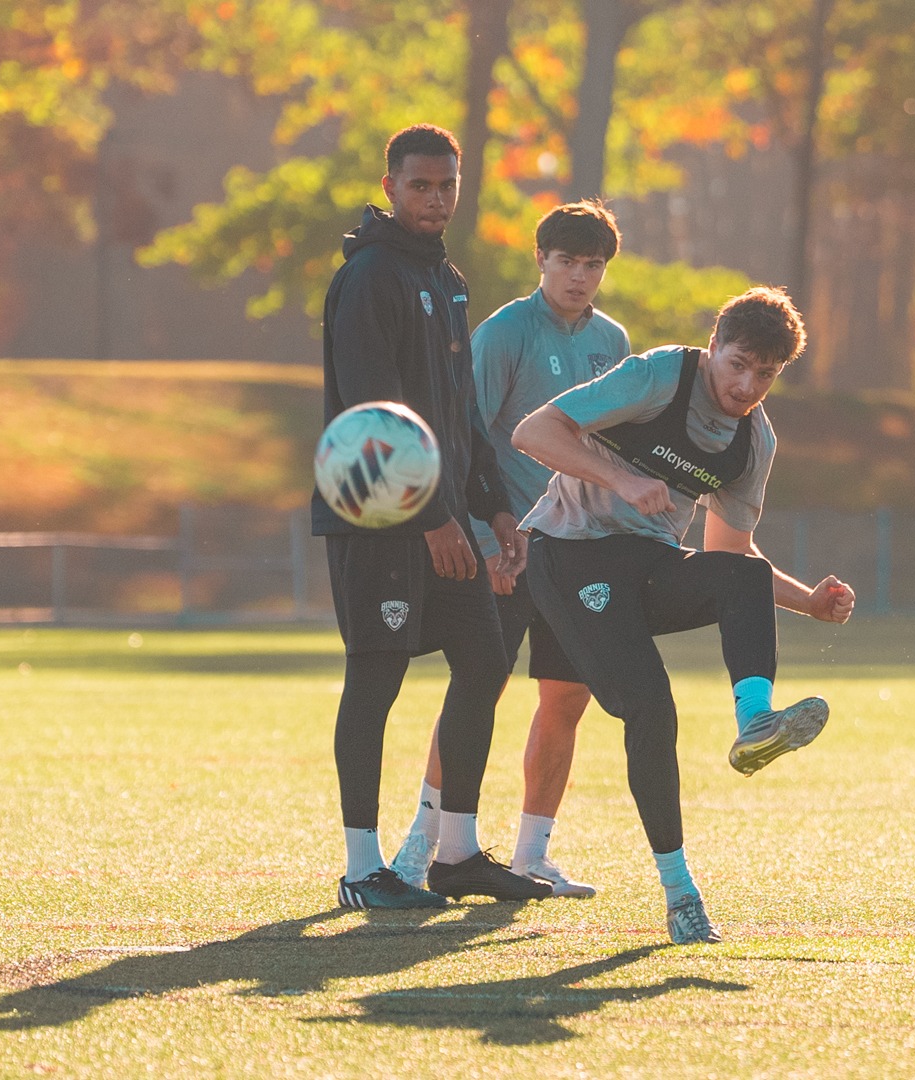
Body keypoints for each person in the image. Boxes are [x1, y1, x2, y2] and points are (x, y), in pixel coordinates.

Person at [512, 287, 856, 944]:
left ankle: (755, 721)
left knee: (744, 576)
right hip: (570, 555)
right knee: (651, 708)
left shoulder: (753, 440)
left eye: (765, 374)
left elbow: (728, 552)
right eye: (738, 364)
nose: (746, 384)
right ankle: (681, 893)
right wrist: (621, 480)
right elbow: (534, 431)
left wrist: (809, 602)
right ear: (714, 347)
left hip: (646, 564)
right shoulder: (659, 376)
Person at [317, 124, 552, 909]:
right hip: (384, 521)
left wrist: (493, 507)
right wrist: (432, 518)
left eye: (447, 184)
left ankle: (455, 854)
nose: (436, 197)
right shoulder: (369, 277)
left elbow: (461, 413)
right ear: (389, 187)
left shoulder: (447, 279)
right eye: (420, 184)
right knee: (376, 677)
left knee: (485, 663)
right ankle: (360, 869)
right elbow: (372, 410)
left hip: (450, 519)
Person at [391, 200, 631, 899]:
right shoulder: (505, 332)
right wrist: (484, 536)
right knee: (478, 689)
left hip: (579, 547)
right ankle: (419, 847)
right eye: (568, 262)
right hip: (507, 546)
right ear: (541, 260)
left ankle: (533, 854)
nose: (580, 277)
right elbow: (468, 435)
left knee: (568, 696)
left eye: (593, 265)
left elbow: (608, 443)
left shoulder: (613, 341)